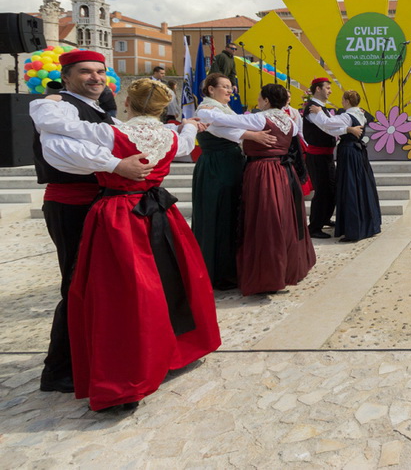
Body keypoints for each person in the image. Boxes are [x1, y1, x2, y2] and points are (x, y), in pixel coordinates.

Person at [30, 78, 221, 412]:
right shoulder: (170, 137)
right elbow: (186, 143)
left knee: (120, 293)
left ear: (127, 104)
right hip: (160, 213)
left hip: (119, 216)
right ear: (162, 109)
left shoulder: (111, 133)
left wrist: (48, 102)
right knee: (167, 282)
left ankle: (125, 374)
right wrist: (187, 125)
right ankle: (174, 350)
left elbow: (55, 144)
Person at [31, 49, 153, 395]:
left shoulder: (101, 112)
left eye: (100, 71)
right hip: (71, 204)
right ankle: (58, 370)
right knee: (75, 283)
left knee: (97, 283)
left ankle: (92, 357)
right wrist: (116, 164)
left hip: (100, 203)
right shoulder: (55, 105)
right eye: (86, 72)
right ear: (66, 76)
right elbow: (61, 151)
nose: (96, 77)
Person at [198, 83, 316, 295]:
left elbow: (223, 120)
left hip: (263, 172)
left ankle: (267, 275)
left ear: (267, 101)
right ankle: (288, 269)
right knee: (282, 219)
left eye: (260, 98)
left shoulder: (260, 119)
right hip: (283, 172)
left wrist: (205, 112)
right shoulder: (290, 121)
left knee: (264, 221)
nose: (258, 101)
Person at [191, 73, 277, 290]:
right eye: (225, 86)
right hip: (217, 168)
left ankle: (232, 269)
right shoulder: (205, 109)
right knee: (219, 216)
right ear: (211, 89)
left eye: (231, 87)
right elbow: (220, 130)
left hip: (229, 164)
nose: (230, 90)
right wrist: (251, 135)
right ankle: (219, 273)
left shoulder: (221, 109)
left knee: (232, 216)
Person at [307, 89, 381, 242]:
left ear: (347, 101)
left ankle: (353, 229)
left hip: (349, 153)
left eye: (343, 100)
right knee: (359, 186)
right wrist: (347, 129)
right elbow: (335, 125)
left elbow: (328, 124)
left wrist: (319, 112)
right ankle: (365, 224)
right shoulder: (360, 114)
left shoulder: (347, 116)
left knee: (350, 187)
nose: (341, 102)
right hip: (358, 153)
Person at [301, 78, 338, 238]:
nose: (330, 91)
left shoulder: (320, 108)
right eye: (327, 88)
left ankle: (325, 218)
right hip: (317, 157)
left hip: (326, 155)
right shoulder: (312, 108)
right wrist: (348, 129)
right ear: (318, 89)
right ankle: (315, 227)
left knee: (331, 188)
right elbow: (327, 126)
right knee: (322, 191)